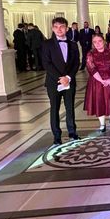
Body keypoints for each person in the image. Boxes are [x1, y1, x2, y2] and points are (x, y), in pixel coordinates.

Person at [42, 17, 80, 145]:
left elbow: (76, 63)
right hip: (53, 82)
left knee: (70, 108)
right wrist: (60, 78)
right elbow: (46, 63)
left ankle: (72, 132)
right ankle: (57, 136)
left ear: (67, 28)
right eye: (56, 27)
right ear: (52, 28)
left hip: (69, 81)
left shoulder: (73, 44)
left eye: (62, 26)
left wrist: (68, 77)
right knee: (54, 108)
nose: (59, 29)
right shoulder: (47, 44)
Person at [84, 34, 110, 133]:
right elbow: (91, 68)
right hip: (97, 81)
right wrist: (102, 80)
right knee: (99, 102)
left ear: (104, 41)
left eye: (99, 41)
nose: (97, 43)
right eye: (95, 42)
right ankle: (102, 124)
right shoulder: (90, 54)